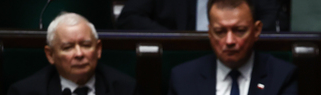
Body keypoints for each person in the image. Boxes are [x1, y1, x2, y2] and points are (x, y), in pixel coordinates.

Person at [163, 0, 297, 95]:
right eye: (220, 32)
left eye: (239, 31)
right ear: (209, 32)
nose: (229, 41)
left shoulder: (281, 76)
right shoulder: (184, 79)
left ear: (256, 30)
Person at [2, 13, 146, 95]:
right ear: (50, 55)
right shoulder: (27, 94)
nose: (79, 54)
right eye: (68, 47)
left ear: (98, 49)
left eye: (86, 45)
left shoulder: (122, 88)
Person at [116, 0, 287, 32]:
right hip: (181, 61)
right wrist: (177, 41)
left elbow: (269, 19)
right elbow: (130, 17)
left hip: (241, 57)